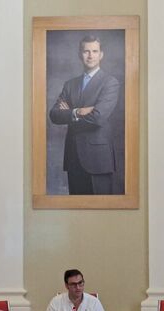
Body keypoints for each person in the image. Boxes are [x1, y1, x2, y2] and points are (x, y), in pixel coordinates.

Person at [49, 35, 120, 195]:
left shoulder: (110, 83)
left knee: (101, 209)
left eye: (94, 51)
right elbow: (54, 115)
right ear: (79, 54)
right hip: (73, 158)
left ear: (101, 54)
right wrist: (78, 111)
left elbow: (98, 117)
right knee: (76, 208)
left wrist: (69, 113)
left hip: (98, 160)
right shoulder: (70, 84)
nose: (90, 55)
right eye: (86, 51)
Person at [40, 269, 109, 311]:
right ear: (66, 286)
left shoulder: (94, 302)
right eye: (73, 284)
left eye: (80, 283)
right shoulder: (56, 301)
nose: (78, 287)